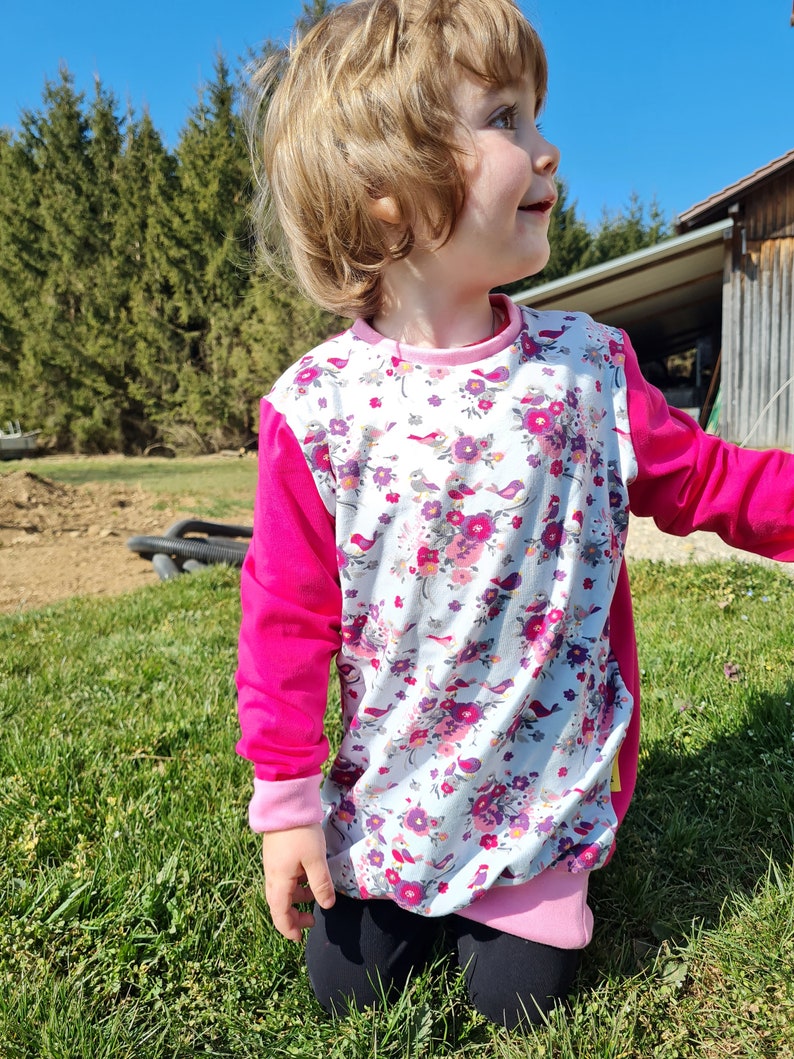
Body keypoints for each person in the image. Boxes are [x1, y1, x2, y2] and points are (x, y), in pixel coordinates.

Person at [236, 0, 794, 1030]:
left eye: (536, 115)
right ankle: (394, 886)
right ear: (387, 193)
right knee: (343, 993)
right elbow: (283, 618)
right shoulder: (315, 411)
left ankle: (530, 891)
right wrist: (285, 805)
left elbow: (712, 483)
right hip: (390, 798)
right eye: (504, 118)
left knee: (517, 1008)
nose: (546, 149)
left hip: (540, 795)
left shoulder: (585, 371)